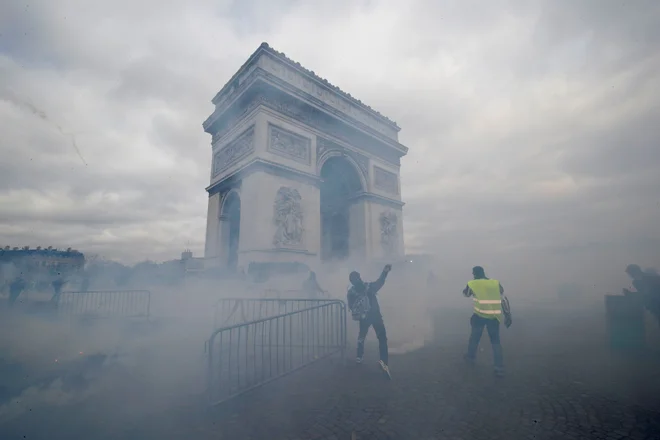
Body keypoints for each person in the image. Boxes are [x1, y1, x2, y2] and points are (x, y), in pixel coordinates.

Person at [462, 266, 511, 377]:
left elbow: (466, 294)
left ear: (474, 274)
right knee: (495, 342)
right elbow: (504, 299)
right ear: (484, 273)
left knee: (474, 338)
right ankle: (499, 367)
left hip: (479, 315)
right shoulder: (495, 283)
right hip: (494, 317)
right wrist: (508, 315)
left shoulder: (472, 283)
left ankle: (470, 357)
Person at [347, 264, 392, 379]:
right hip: (375, 315)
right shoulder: (369, 287)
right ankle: (384, 362)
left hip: (363, 317)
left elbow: (351, 306)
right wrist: (385, 272)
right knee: (382, 338)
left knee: (361, 337)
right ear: (359, 277)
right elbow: (380, 282)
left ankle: (359, 357)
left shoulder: (351, 292)